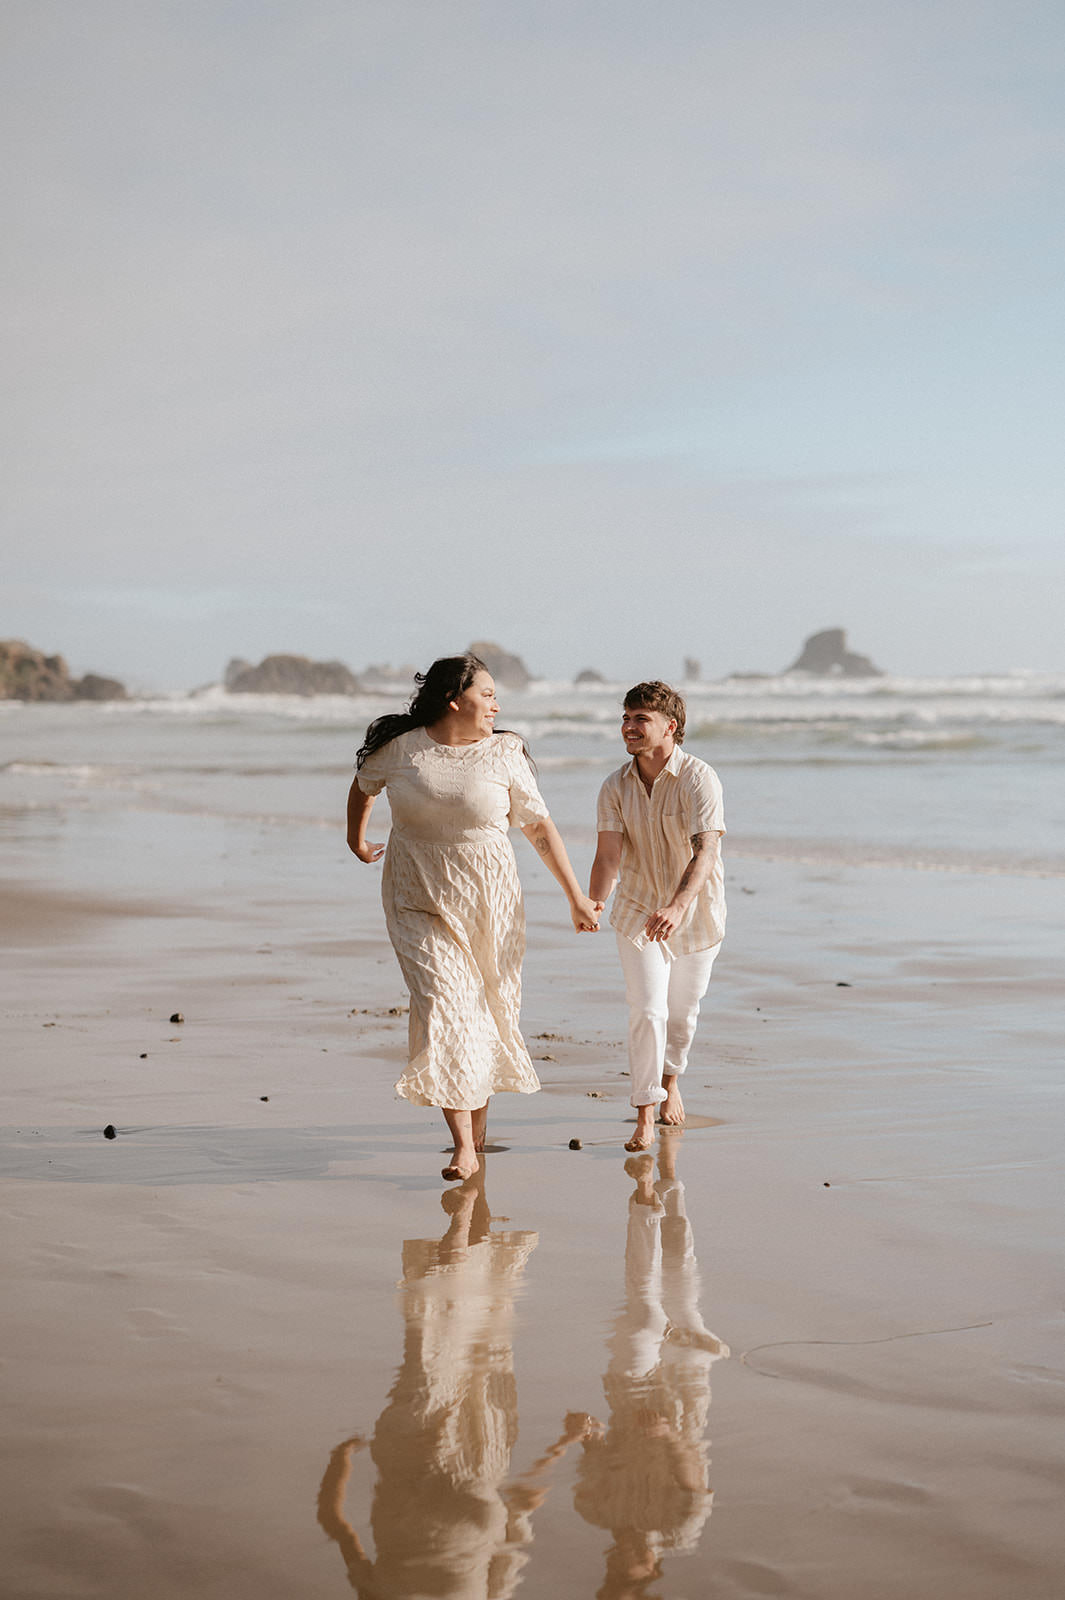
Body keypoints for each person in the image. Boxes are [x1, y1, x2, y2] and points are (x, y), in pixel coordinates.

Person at [347, 653, 601, 1180]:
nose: (496, 705)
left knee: (485, 1009)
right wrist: (355, 840)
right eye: (487, 694)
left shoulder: (505, 753)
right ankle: (463, 1145)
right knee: (447, 1006)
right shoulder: (401, 750)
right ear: (454, 699)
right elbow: (363, 786)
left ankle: (477, 1139)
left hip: (490, 899)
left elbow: (537, 828)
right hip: (416, 893)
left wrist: (576, 895)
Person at [588, 682, 725, 1152]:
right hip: (638, 910)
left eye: (639, 718)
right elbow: (608, 856)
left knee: (682, 1015)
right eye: (626, 717)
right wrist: (592, 901)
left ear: (671, 726)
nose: (628, 727)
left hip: (696, 912)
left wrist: (678, 905)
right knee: (647, 1009)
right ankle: (644, 1113)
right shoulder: (614, 786)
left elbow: (705, 851)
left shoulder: (699, 779)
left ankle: (671, 1080)